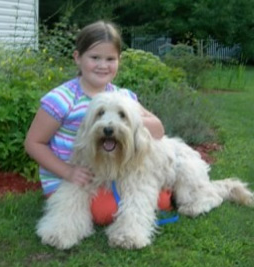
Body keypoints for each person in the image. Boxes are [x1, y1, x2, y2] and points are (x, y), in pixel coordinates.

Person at [24, 21, 164, 196]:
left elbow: (158, 130)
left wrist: (125, 118)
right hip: (70, 179)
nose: (103, 65)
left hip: (108, 176)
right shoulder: (62, 99)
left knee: (154, 194)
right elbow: (33, 143)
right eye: (95, 57)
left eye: (110, 59)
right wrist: (68, 172)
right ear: (77, 57)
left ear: (119, 60)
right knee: (107, 209)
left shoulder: (124, 97)